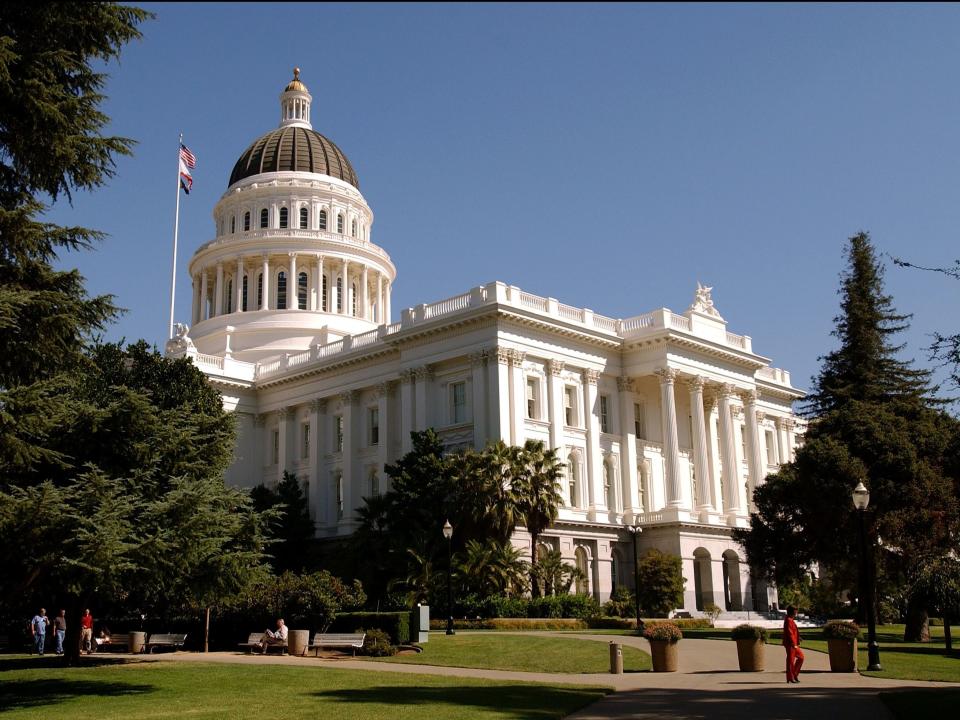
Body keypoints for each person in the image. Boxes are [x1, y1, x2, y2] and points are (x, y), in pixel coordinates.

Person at [782, 605, 804, 683]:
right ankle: (790, 678)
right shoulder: (788, 620)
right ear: (792, 612)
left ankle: (794, 675)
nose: (796, 613)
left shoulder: (790, 619)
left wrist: (798, 638)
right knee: (790, 661)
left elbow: (793, 631)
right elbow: (789, 632)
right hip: (791, 644)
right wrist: (793, 643)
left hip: (793, 643)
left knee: (801, 657)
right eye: (795, 611)